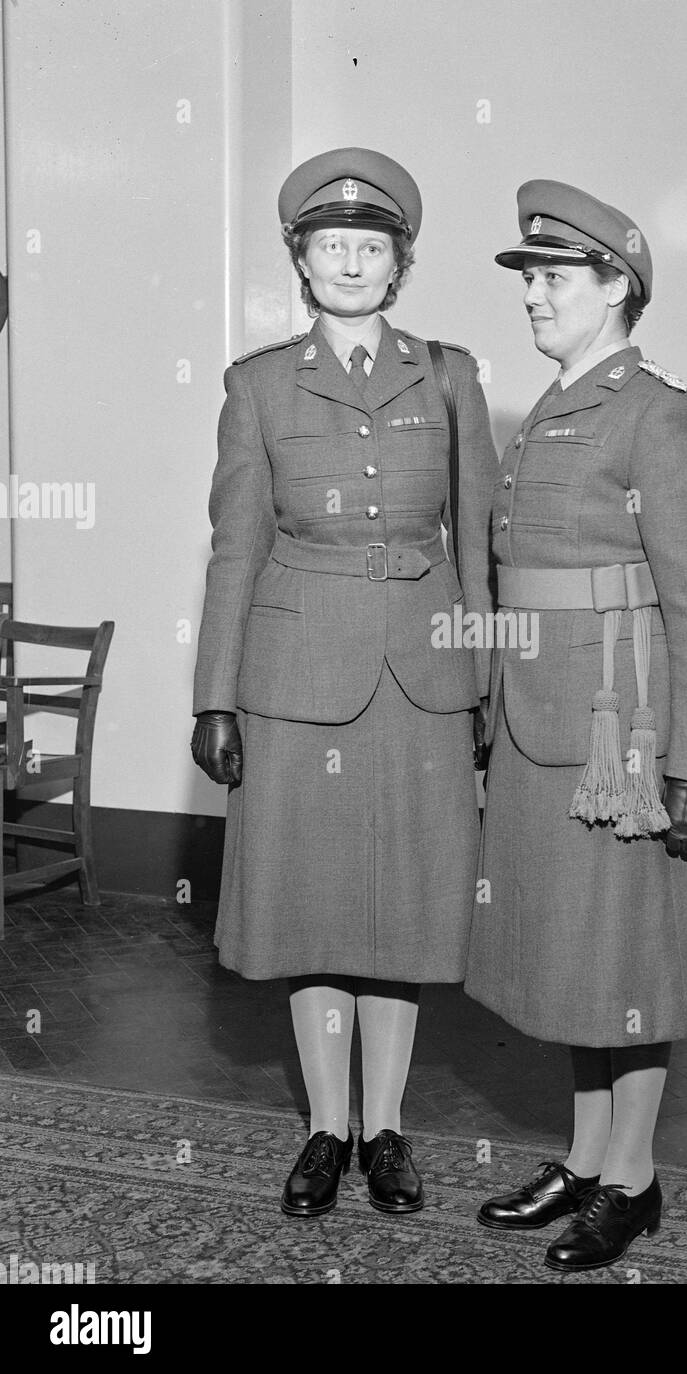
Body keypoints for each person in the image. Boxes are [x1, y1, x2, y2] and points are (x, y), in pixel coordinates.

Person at [191, 147, 494, 1220]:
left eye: (372, 247)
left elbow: (481, 543)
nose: (352, 262)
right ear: (304, 263)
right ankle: (326, 1126)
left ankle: (388, 1128)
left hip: (420, 679)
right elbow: (235, 547)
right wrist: (214, 694)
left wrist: (488, 689)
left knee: (401, 913)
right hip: (294, 679)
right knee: (313, 911)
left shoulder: (450, 376)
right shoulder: (259, 384)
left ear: (398, 264)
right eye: (332, 247)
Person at [465, 180, 687, 1272]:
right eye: (528, 276)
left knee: (630, 959)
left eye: (553, 277)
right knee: (575, 957)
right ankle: (583, 1158)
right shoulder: (554, 406)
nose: (532, 295)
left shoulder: (659, 414)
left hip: (619, 742)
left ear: (618, 285)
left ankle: (632, 1180)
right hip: (544, 726)